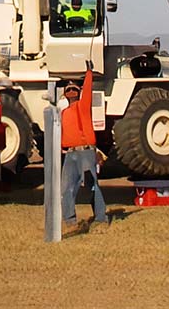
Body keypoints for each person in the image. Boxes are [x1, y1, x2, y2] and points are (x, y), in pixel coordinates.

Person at [60, 61, 106, 229]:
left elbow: (88, 91)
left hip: (85, 152)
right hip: (71, 154)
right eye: (68, 90)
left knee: (93, 186)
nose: (71, 91)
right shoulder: (63, 113)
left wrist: (88, 73)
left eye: (74, 89)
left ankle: (101, 217)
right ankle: (70, 220)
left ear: (79, 93)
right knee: (66, 188)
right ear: (65, 95)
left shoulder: (83, 107)